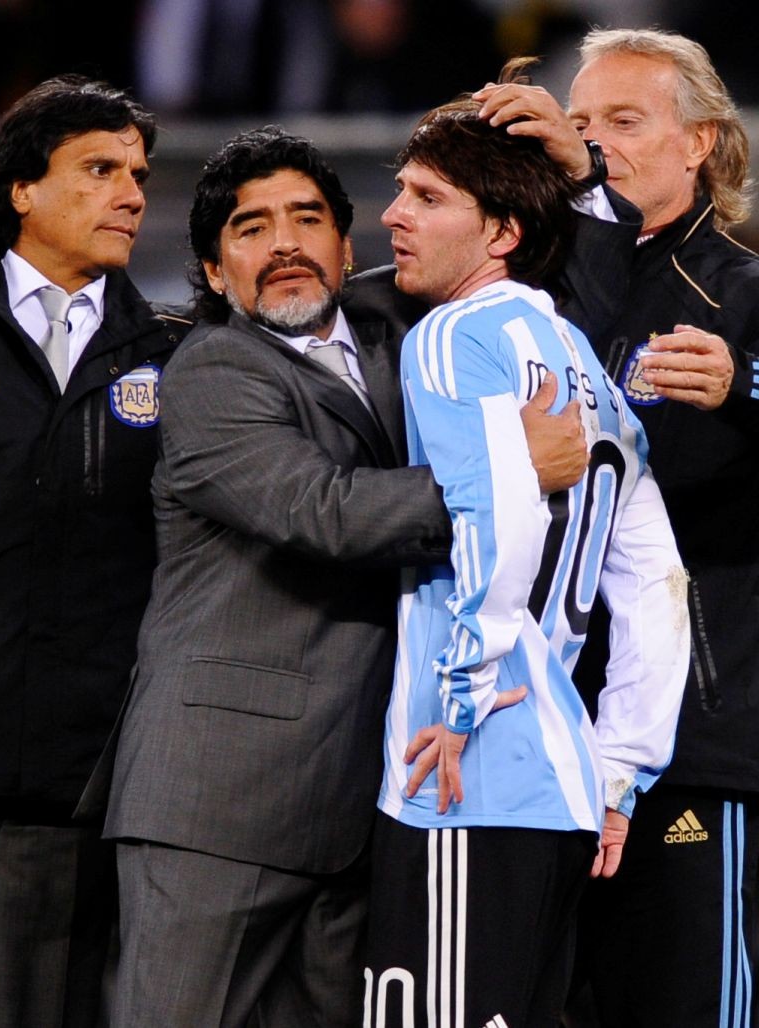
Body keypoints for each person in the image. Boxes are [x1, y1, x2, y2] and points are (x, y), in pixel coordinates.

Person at [98, 122, 605, 1027]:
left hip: (365, 812)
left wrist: (578, 175)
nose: (285, 242)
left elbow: (540, 281)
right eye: (250, 229)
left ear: (348, 244)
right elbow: (320, 510)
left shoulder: (400, 326)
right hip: (218, 808)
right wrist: (508, 466)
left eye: (307, 218)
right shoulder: (212, 369)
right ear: (214, 273)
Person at [362, 96, 690, 1028]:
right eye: (399, 192)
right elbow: (657, 585)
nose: (393, 216)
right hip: (565, 782)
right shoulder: (586, 361)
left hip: (463, 774)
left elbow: (495, 517)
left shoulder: (451, 338)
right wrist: (619, 771)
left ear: (502, 232)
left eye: (427, 197)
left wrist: (460, 698)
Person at [475, 27, 759, 1028]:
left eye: (622, 123)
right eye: (579, 124)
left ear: (701, 145)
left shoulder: (740, 294)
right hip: (531, 739)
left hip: (689, 738)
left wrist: (746, 387)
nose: (591, 146)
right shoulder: (525, 288)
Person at [0, 74, 191, 1027]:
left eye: (137, 173)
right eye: (100, 170)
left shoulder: (177, 355)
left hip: (73, 787)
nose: (133, 194)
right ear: (22, 188)